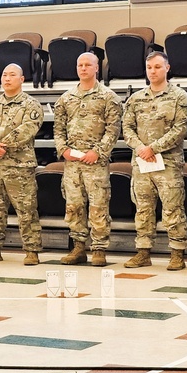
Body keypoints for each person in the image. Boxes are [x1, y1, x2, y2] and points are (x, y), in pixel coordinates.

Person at [122, 51, 187, 270]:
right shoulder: (135, 99)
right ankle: (143, 251)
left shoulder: (180, 97)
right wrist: (141, 148)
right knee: (143, 208)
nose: (153, 71)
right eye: (149, 67)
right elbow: (127, 128)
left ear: (167, 69)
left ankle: (177, 252)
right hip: (142, 163)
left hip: (168, 163)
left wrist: (154, 147)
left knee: (172, 208)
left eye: (157, 67)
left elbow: (180, 129)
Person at [54, 52, 122, 266]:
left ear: (96, 68)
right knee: (73, 206)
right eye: (80, 65)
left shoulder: (109, 97)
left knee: (98, 206)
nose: (83, 68)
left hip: (95, 162)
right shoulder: (66, 98)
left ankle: (99, 249)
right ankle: (78, 247)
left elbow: (113, 130)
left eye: (87, 65)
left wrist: (98, 151)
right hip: (72, 163)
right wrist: (63, 149)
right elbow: (58, 128)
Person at [0, 63, 43, 266]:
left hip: (19, 166)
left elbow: (28, 130)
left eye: (12, 75)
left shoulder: (32, 105)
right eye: (4, 74)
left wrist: (2, 145)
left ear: (22, 79)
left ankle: (32, 250)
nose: (7, 78)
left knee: (26, 209)